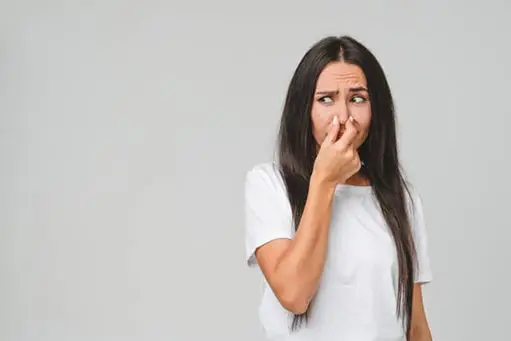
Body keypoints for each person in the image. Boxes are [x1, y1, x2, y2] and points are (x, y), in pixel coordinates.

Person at [243, 35, 433, 341]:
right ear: (303, 109)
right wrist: (325, 180)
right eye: (326, 99)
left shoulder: (401, 200)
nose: (343, 117)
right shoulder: (268, 184)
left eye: (357, 98)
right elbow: (293, 294)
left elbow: (416, 326)